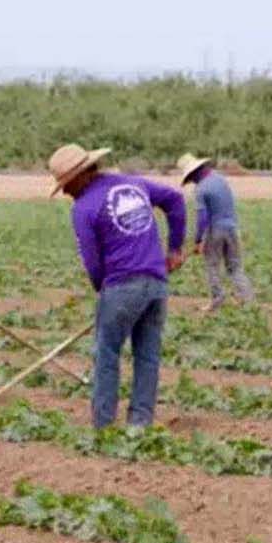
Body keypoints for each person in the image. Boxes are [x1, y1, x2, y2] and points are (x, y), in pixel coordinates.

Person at [48, 143, 186, 429]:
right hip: (156, 283)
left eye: (66, 183)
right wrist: (173, 249)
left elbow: (93, 263)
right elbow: (174, 199)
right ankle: (139, 424)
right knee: (147, 355)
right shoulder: (133, 184)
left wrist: (106, 293)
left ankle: (103, 425)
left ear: (82, 175)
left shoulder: (84, 207)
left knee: (106, 354)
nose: (64, 191)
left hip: (122, 285)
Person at [176, 153, 254, 312]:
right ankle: (248, 301)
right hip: (232, 228)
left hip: (216, 231)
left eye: (191, 178)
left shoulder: (201, 189)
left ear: (193, 173)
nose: (191, 181)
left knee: (212, 266)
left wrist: (198, 240)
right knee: (235, 267)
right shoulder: (220, 179)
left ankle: (217, 300)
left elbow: (203, 217)